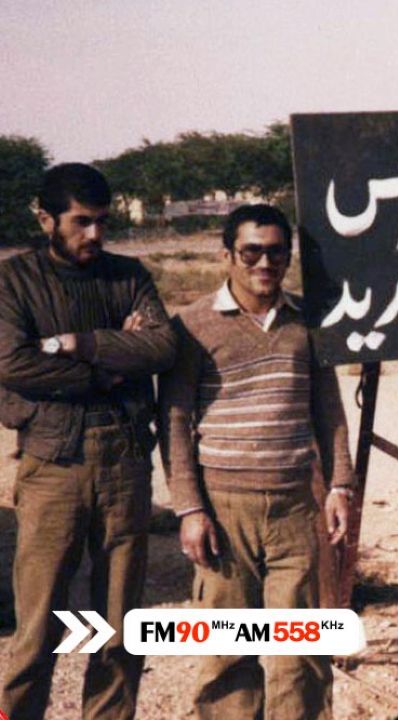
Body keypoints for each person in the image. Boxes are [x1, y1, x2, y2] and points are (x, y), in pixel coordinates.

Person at [158, 203, 355, 720]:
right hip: (224, 510)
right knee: (228, 653)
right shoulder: (192, 326)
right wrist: (189, 509)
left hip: (296, 507)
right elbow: (174, 422)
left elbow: (328, 408)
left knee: (301, 654)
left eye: (276, 253)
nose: (265, 263)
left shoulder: (307, 322)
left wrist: (339, 485)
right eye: (251, 252)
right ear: (227, 255)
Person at [0, 163, 177, 720]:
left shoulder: (128, 275)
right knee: (38, 626)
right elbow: (12, 363)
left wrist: (75, 343)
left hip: (126, 461)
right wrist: (107, 366)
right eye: (81, 222)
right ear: (45, 219)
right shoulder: (13, 281)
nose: (95, 234)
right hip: (53, 464)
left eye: (102, 221)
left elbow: (161, 347)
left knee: (119, 626)